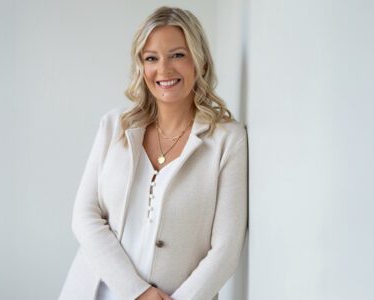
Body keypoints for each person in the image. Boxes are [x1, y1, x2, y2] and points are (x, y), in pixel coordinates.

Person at [59, 6, 247, 300]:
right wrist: (138, 292)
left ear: (199, 61)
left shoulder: (228, 141)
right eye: (151, 58)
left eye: (177, 55)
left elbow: (226, 250)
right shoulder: (115, 126)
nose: (164, 70)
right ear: (141, 67)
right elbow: (84, 217)